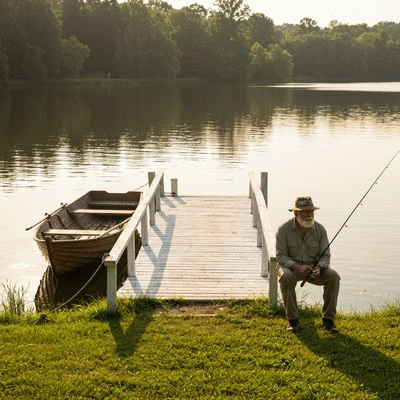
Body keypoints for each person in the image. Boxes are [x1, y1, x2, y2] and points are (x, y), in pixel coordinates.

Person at [275, 196, 340, 334]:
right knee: (285, 276)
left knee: (333, 276)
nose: (309, 214)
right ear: (296, 213)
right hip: (291, 268)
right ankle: (293, 321)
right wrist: (298, 267)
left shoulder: (320, 230)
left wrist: (318, 268)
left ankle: (328, 321)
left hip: (313, 270)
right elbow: (281, 257)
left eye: (311, 211)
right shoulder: (283, 229)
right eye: (305, 211)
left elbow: (326, 256)